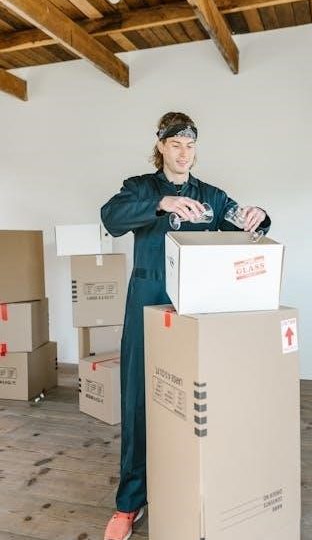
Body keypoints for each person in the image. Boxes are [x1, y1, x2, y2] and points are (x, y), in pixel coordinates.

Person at [101, 111, 271, 540]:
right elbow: (111, 217)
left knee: (197, 401)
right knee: (138, 399)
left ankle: (194, 489)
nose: (184, 153)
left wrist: (259, 215)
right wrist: (161, 204)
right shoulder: (140, 187)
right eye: (176, 144)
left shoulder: (210, 196)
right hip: (147, 301)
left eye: (190, 145)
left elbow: (242, 221)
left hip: (198, 307)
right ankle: (129, 503)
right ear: (160, 146)